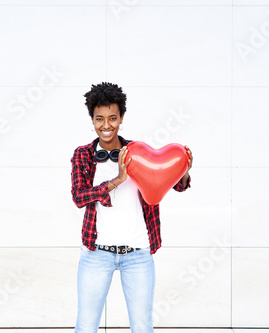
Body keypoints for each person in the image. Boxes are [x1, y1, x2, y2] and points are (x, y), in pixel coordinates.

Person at [71, 82, 192, 333]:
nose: (106, 125)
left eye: (113, 118)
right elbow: (79, 197)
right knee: (86, 325)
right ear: (92, 119)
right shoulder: (83, 155)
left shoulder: (138, 152)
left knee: (142, 326)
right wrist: (117, 179)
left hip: (137, 254)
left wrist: (183, 171)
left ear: (121, 118)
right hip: (96, 254)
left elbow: (172, 186)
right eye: (100, 119)